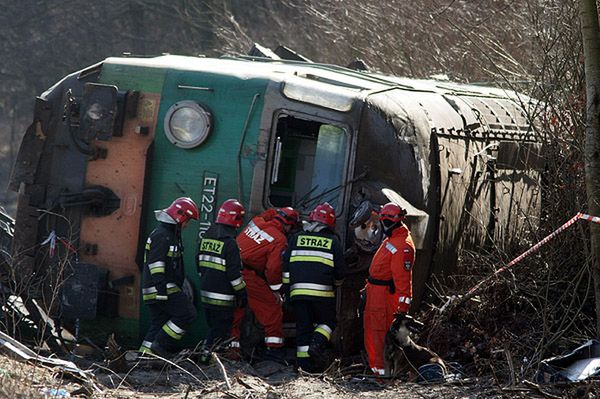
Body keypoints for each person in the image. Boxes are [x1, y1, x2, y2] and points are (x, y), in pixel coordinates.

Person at [283, 202, 346, 372]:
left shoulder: (296, 238)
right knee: (328, 322)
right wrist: (337, 284)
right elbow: (340, 272)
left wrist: (288, 293)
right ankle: (317, 343)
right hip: (323, 295)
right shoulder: (333, 242)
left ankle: (305, 366)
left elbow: (286, 268)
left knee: (303, 327)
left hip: (297, 294)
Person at [231, 207, 300, 360]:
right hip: (247, 275)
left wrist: (276, 211)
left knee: (236, 312)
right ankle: (274, 350)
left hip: (230, 269)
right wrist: (276, 290)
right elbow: (273, 269)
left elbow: (266, 213)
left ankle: (231, 353)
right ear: (288, 226)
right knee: (272, 309)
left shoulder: (257, 221)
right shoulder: (280, 240)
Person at [139, 197, 199, 358]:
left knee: (159, 323)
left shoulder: (167, 234)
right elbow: (156, 264)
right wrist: (161, 289)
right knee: (188, 313)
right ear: (180, 218)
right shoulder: (163, 235)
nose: (187, 226)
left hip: (160, 288)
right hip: (161, 288)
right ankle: (160, 345)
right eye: (188, 221)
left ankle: (144, 356)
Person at [363, 202, 415, 376]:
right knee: (372, 334)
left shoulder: (402, 246)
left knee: (378, 336)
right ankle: (376, 371)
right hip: (376, 295)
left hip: (384, 298)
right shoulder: (392, 239)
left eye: (385, 220)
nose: (383, 224)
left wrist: (401, 311)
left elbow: (403, 282)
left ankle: (381, 375)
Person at [197, 199, 248, 364]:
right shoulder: (230, 244)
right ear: (237, 221)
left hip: (205, 294)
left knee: (212, 328)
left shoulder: (206, 238)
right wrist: (242, 293)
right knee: (220, 331)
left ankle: (207, 358)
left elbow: (198, 264)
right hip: (223, 298)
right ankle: (208, 360)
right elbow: (234, 275)